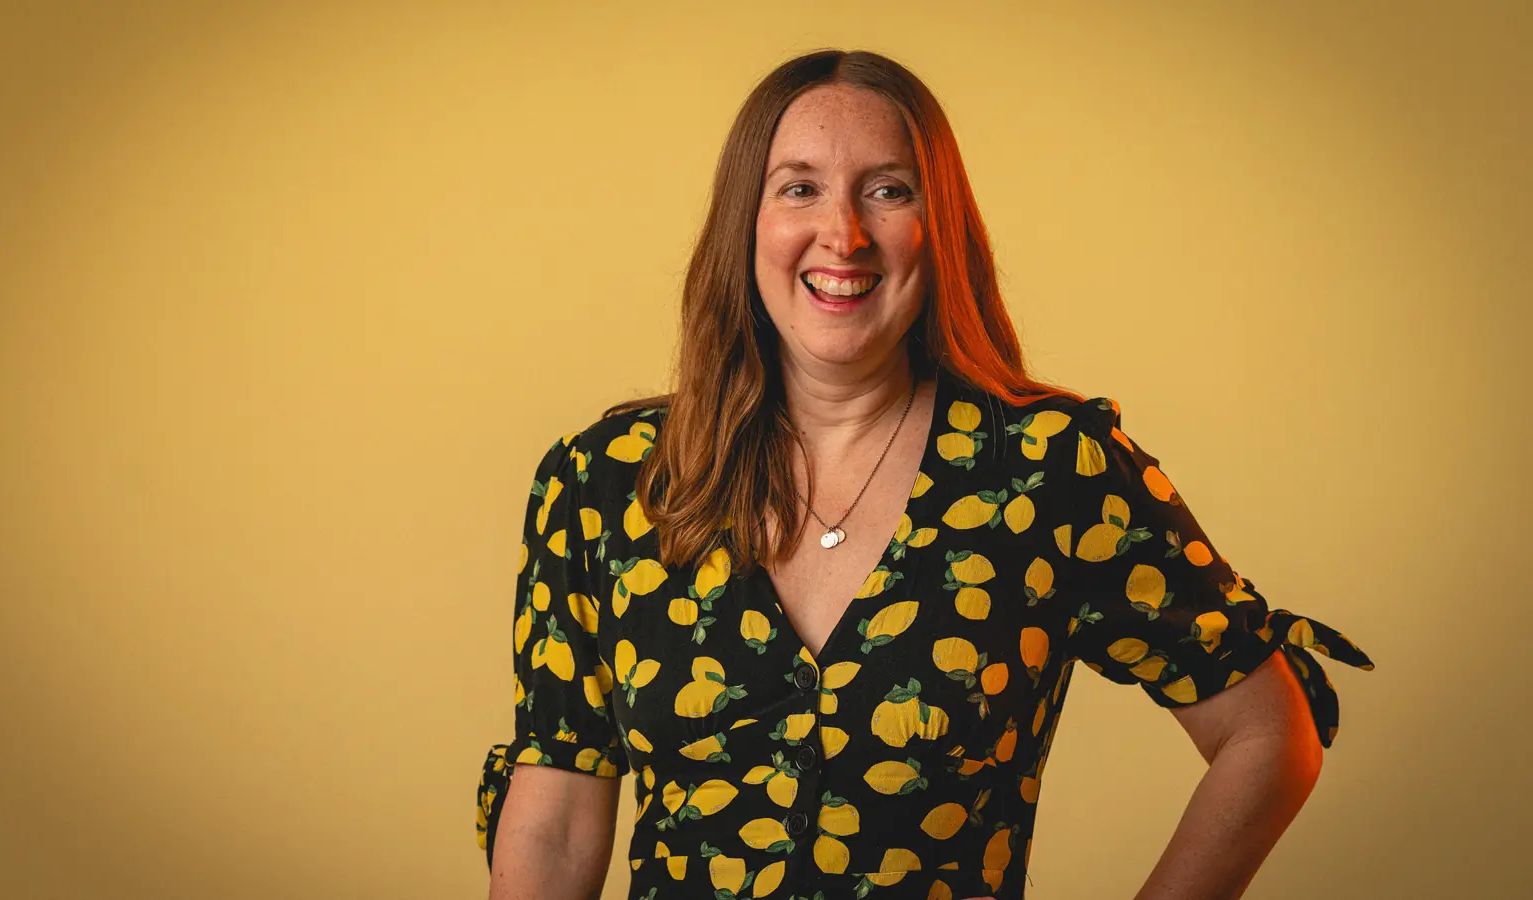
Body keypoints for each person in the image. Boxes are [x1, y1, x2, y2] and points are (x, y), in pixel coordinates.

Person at [475, 48, 1374, 900]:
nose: (844, 234)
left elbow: (1268, 732)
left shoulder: (1049, 472)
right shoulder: (604, 485)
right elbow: (555, 817)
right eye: (800, 189)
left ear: (937, 227)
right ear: (746, 222)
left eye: (889, 191)